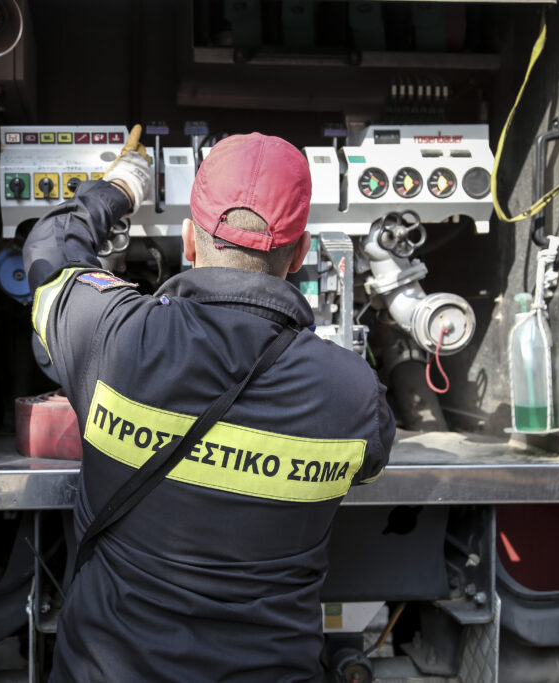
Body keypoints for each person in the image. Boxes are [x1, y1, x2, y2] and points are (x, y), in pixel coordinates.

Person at [24, 127, 395, 682]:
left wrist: (122, 186)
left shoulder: (110, 334)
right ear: (300, 254)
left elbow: (49, 248)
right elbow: (369, 462)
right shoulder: (354, 391)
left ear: (188, 242)